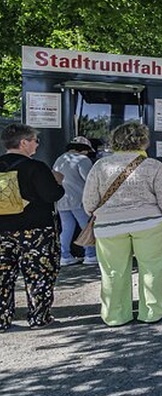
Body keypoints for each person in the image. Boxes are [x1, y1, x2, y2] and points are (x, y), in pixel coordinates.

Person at [82, 122, 162, 326]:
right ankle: (152, 311)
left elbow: (89, 202)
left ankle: (115, 315)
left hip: (109, 226)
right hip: (150, 224)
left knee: (113, 272)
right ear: (143, 141)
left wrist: (100, 214)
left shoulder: (100, 166)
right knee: (152, 268)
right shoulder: (153, 166)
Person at [0, 123, 66, 330]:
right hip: (36, 230)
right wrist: (58, 182)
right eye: (35, 140)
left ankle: (2, 319)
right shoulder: (36, 167)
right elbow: (52, 195)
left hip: (2, 231)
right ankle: (39, 317)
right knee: (39, 275)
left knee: (2, 276)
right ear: (23, 142)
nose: (37, 144)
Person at [52, 136, 97, 266]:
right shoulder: (83, 160)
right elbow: (89, 180)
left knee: (66, 228)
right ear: (84, 149)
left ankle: (64, 255)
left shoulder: (60, 159)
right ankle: (90, 254)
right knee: (86, 228)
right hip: (79, 200)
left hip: (62, 200)